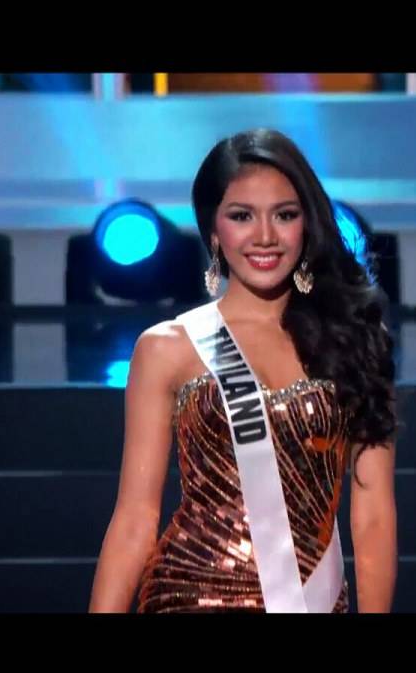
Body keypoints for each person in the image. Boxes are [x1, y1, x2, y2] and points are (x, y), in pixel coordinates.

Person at [89, 128, 397, 613]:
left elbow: (373, 513)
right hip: (188, 595)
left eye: (285, 215)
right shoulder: (167, 349)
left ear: (307, 224)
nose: (265, 236)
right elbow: (135, 516)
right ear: (214, 230)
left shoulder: (353, 340)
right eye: (241, 216)